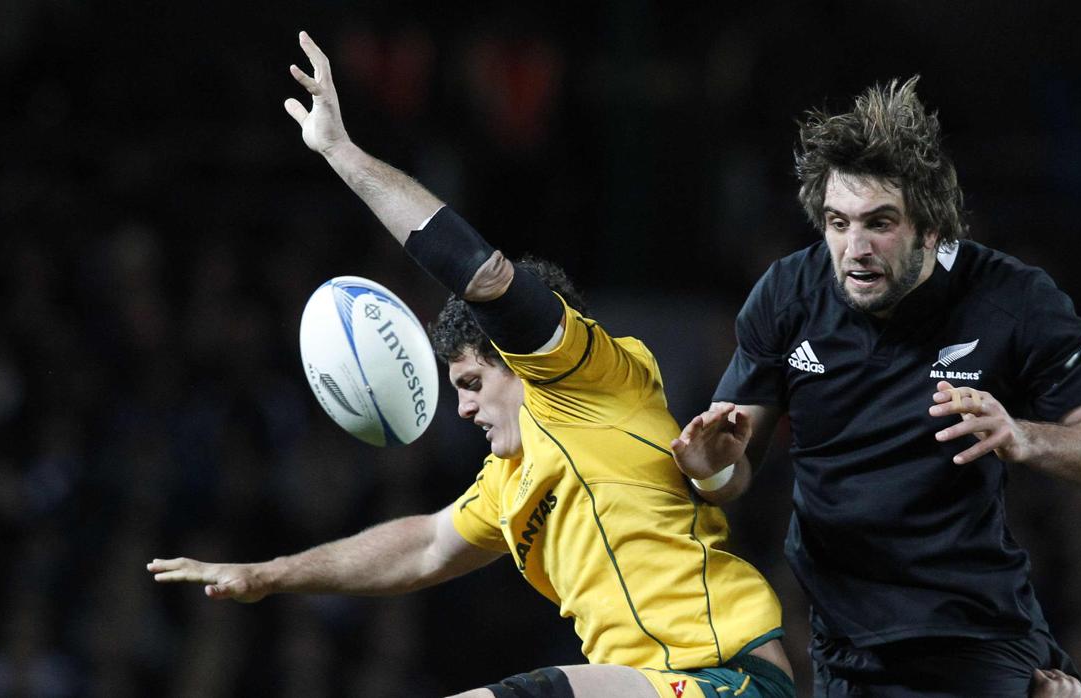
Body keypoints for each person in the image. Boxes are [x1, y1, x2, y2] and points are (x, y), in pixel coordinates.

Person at [148, 31, 795, 698]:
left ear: (515, 361)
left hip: (727, 677)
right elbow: (423, 546)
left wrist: (342, 155)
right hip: (647, 684)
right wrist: (270, 574)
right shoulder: (505, 484)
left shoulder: (585, 378)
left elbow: (483, 275)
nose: (461, 409)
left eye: (470, 383)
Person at [671, 76, 1081, 697]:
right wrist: (711, 469)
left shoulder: (1012, 299)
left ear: (932, 228)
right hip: (844, 646)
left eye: (880, 224)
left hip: (974, 640)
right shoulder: (787, 296)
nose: (855, 249)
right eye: (838, 223)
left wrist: (1025, 437)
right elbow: (733, 474)